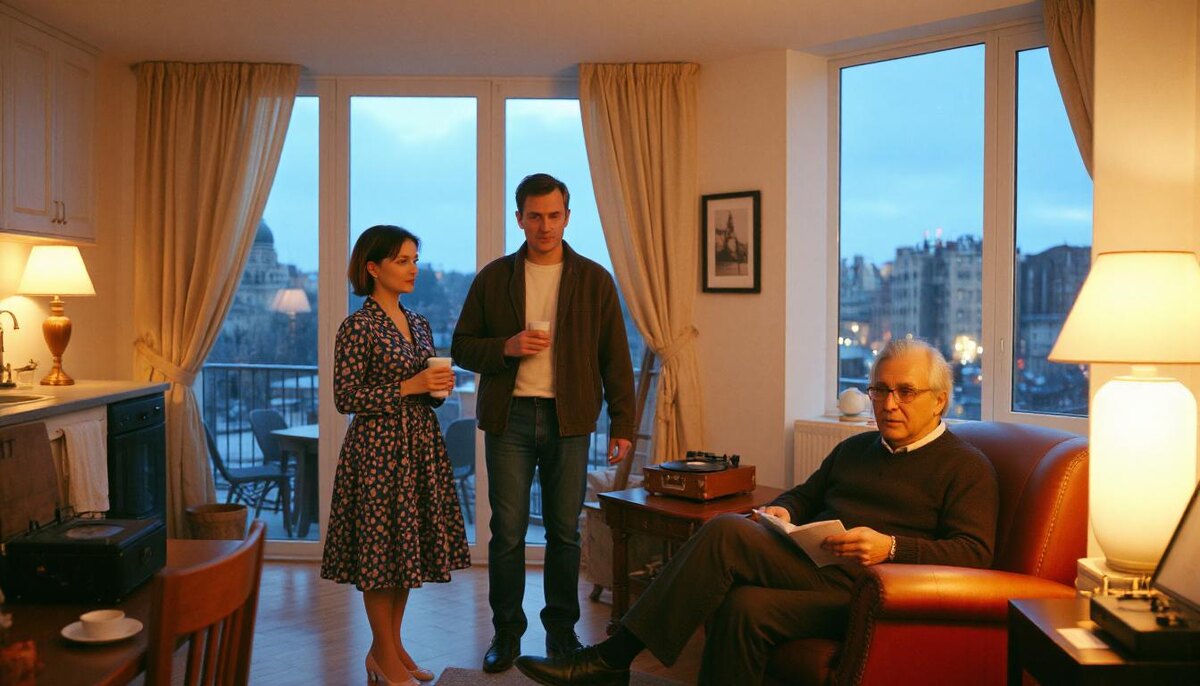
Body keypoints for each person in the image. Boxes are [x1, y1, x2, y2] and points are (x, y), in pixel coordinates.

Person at [515, 338, 1000, 686]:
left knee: (736, 571)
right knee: (733, 545)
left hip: (873, 593)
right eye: (880, 390)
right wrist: (782, 511)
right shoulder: (856, 449)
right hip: (816, 566)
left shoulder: (967, 467)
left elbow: (974, 553)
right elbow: (804, 496)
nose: (889, 404)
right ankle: (612, 661)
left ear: (940, 400)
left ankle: (612, 658)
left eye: (906, 392)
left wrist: (890, 547)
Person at [452, 173, 637, 673]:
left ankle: (561, 634)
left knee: (564, 534)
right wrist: (507, 347)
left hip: (569, 420)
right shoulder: (494, 277)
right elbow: (461, 346)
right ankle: (506, 634)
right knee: (508, 534)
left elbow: (615, 358)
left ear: (568, 217)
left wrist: (622, 423)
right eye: (535, 216)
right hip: (509, 419)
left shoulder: (595, 279)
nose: (545, 226)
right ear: (520, 219)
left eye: (554, 215)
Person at [321, 225, 471, 686]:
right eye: (402, 261)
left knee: (405, 554)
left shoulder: (419, 322)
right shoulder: (357, 326)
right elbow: (345, 397)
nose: (413, 269)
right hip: (377, 453)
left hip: (419, 446)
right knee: (379, 559)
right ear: (373, 267)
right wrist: (409, 386)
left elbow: (424, 391)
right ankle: (385, 656)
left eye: (414, 260)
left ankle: (389, 648)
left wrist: (437, 389)